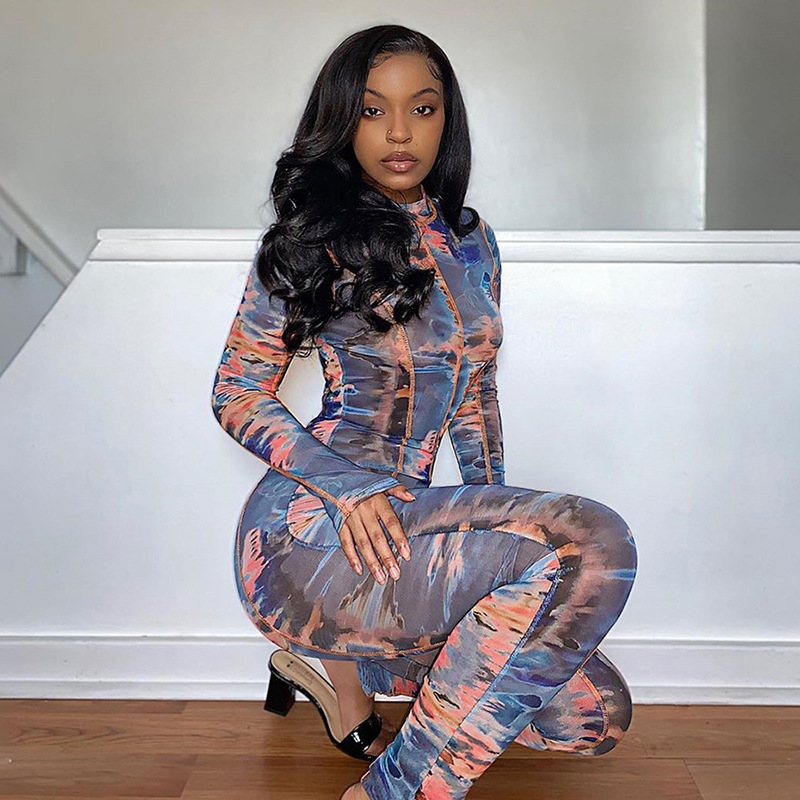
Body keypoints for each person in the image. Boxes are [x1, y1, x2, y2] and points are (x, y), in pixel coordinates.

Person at [210, 23, 638, 800]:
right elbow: (236, 390)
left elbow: (476, 393)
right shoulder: (315, 240)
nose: (401, 132)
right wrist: (348, 487)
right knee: (599, 541)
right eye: (373, 110)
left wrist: (498, 534)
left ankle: (345, 669)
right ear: (343, 122)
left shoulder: (473, 242)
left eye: (423, 108)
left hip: (411, 532)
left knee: (590, 716)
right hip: (309, 536)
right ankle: (393, 790)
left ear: (448, 120)